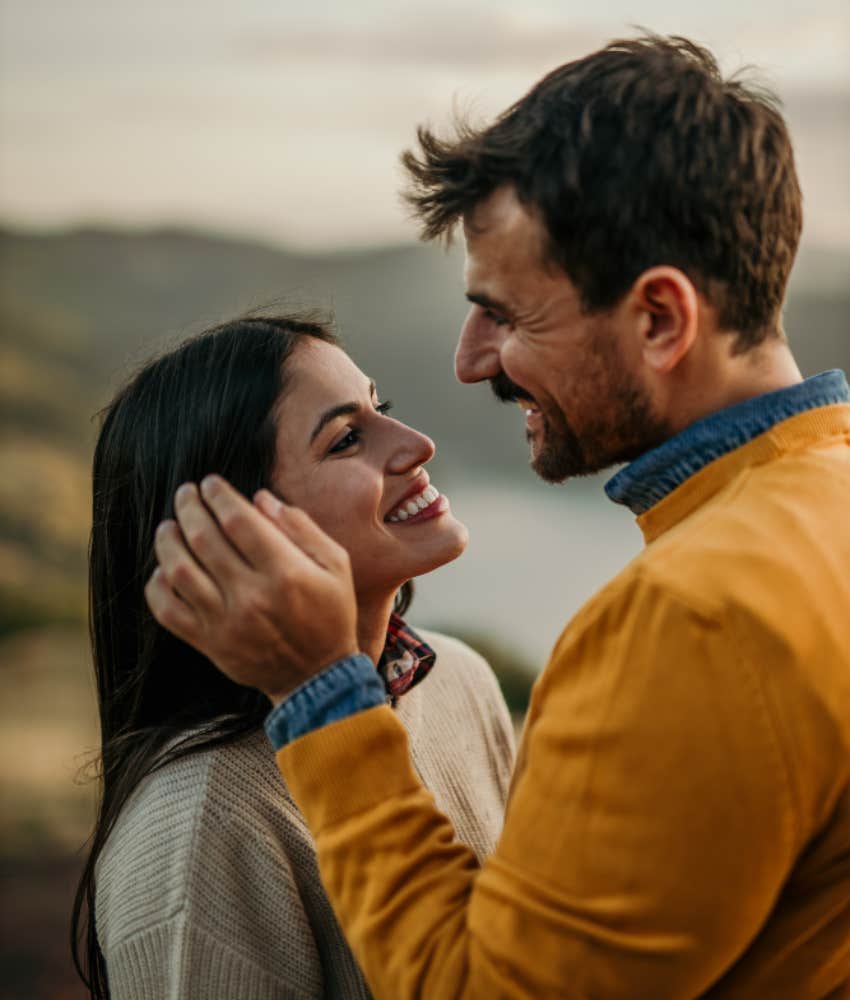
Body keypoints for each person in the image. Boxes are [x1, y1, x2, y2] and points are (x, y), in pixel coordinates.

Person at [146, 35, 850, 998]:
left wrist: (321, 691)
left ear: (659, 320)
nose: (472, 362)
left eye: (508, 317)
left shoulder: (694, 618)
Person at [71, 314, 516, 999]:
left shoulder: (461, 680)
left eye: (382, 408)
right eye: (347, 440)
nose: (418, 444)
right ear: (229, 535)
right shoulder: (197, 830)